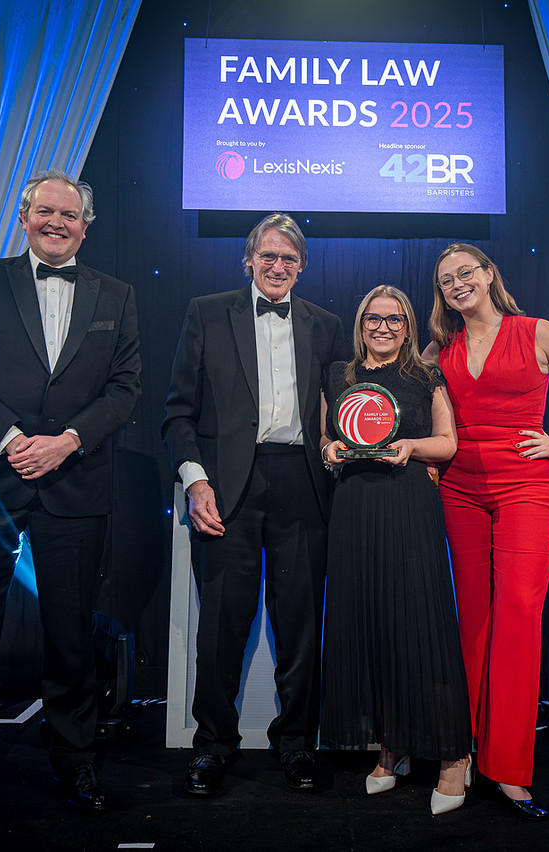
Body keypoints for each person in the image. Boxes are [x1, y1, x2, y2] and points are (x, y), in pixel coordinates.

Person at [0, 170, 142, 830]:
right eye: (46, 211)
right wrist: (13, 440)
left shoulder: (117, 295)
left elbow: (125, 389)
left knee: (70, 639)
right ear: (24, 216)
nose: (57, 222)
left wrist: (67, 442)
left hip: (75, 482)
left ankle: (76, 763)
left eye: (70, 215)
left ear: (86, 227)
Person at [425, 243, 549, 821]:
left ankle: (508, 767)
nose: (458, 284)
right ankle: (458, 753)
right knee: (470, 621)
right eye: (446, 280)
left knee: (516, 616)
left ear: (489, 275)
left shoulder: (535, 332)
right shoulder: (439, 348)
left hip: (527, 488)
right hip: (459, 489)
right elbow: (402, 393)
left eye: (466, 272)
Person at [162, 213, 344, 796]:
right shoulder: (207, 313)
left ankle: (297, 743)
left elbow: (346, 407)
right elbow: (178, 413)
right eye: (268, 256)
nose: (277, 266)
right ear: (248, 260)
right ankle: (213, 745)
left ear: (302, 266)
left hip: (303, 484)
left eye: (289, 258)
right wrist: (195, 481)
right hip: (225, 487)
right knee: (221, 624)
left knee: (300, 626)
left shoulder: (326, 325)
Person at [319, 285, 472, 815]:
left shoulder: (425, 374)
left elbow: (448, 442)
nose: (382, 328)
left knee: (421, 625)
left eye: (394, 319)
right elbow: (325, 439)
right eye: (373, 318)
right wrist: (330, 451)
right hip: (354, 509)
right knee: (371, 626)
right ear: (360, 323)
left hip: (408, 505)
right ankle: (392, 747)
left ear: (407, 327)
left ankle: (453, 757)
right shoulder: (337, 374)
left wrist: (410, 446)